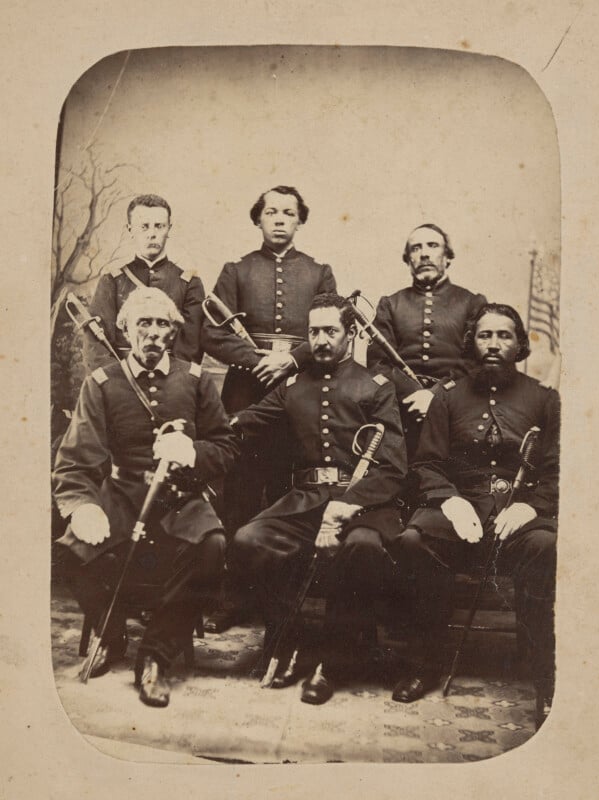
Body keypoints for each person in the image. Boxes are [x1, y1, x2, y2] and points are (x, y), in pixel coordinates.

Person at [53, 288, 239, 708]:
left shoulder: (195, 379)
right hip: (121, 494)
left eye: (162, 324)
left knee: (213, 547)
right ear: (125, 328)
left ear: (173, 331)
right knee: (70, 549)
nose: (153, 333)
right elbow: (75, 462)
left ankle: (154, 654)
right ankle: (112, 631)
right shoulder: (101, 383)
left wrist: (192, 451)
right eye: (144, 323)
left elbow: (226, 447)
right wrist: (83, 506)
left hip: (178, 496)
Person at [229, 293, 407, 705]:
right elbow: (247, 422)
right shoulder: (293, 385)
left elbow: (393, 466)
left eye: (331, 331)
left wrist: (348, 505)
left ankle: (333, 661)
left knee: (362, 548)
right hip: (305, 500)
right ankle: (291, 641)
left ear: (351, 333)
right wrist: (202, 430)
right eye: (314, 332)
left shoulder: (375, 387)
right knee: (248, 540)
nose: (321, 340)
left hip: (364, 503)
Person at [391, 303, 559, 729]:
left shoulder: (543, 399)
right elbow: (426, 463)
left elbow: (560, 469)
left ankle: (543, 674)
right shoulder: (447, 399)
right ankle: (424, 662)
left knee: (545, 545)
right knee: (414, 539)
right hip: (460, 510)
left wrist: (531, 505)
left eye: (504, 336)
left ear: (520, 344)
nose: (494, 344)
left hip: (518, 514)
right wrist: (449, 499)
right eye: (485, 335)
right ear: (472, 342)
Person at [202, 185, 337, 633]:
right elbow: (213, 334)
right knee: (238, 497)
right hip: (246, 390)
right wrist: (259, 360)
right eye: (271, 212)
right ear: (258, 219)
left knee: (288, 498)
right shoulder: (236, 271)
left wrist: (293, 360)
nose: (280, 219)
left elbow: (335, 328)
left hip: (298, 392)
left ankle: (282, 602)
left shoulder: (319, 273)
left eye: (289, 213)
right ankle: (235, 598)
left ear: (300, 221)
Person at [367, 223, 487, 455]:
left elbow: (475, 361)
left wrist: (436, 395)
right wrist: (413, 394)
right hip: (403, 409)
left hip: (458, 407)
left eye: (433, 246)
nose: (424, 253)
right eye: (416, 248)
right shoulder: (390, 305)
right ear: (408, 259)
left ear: (447, 257)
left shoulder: (472, 303)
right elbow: (378, 365)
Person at [84, 194, 206, 371]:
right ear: (130, 230)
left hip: (172, 385)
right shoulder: (112, 281)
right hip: (121, 382)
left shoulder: (189, 284)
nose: (152, 234)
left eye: (159, 226)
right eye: (144, 227)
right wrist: (116, 386)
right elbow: (96, 348)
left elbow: (190, 348)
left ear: (169, 229)